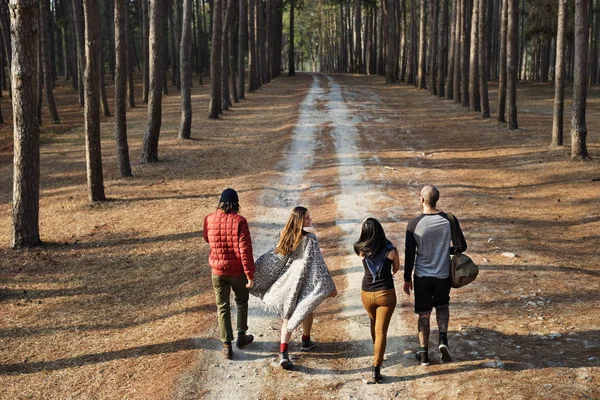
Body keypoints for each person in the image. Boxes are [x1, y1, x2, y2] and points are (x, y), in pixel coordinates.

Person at [250, 206, 337, 370]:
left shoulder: (284, 236)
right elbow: (318, 264)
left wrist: (256, 273)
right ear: (300, 221)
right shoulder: (310, 239)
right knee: (302, 308)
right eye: (307, 218)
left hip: (285, 285)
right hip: (301, 283)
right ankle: (295, 346)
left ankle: (294, 347)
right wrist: (328, 285)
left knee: (294, 313)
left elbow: (272, 260)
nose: (310, 220)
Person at [403, 185, 467, 366]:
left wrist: (407, 279)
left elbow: (409, 254)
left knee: (424, 315)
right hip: (443, 274)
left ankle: (423, 355)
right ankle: (443, 341)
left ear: (421, 199)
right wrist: (444, 250)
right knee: (442, 306)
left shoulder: (414, 224)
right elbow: (461, 246)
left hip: (422, 277)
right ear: (436, 199)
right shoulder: (449, 220)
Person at [203, 188, 256, 360]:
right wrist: (249, 274)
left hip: (218, 272)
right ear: (236, 203)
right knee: (241, 301)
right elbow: (245, 250)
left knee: (222, 307)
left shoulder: (209, 219)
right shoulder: (240, 221)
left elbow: (206, 238)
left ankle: (226, 345)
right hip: (237, 272)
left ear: (220, 202)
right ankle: (241, 336)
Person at [354, 218, 400, 383]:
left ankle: (377, 352)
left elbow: (361, 242)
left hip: (366, 293)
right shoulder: (391, 250)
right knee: (382, 331)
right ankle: (376, 367)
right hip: (385, 294)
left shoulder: (360, 249)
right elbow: (396, 269)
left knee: (373, 323)